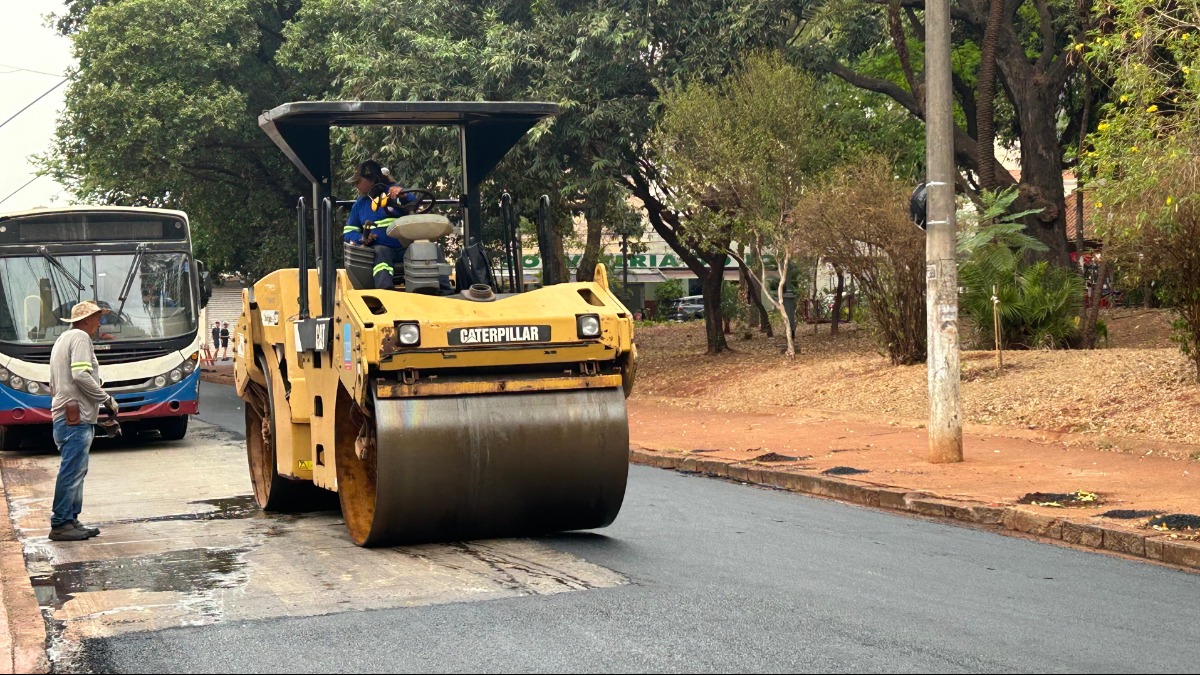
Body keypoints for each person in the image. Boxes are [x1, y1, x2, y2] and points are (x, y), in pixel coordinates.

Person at [48, 301, 118, 542]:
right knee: (72, 471)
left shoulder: (63, 340)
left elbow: (56, 383)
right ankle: (61, 523)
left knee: (76, 470)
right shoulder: (80, 338)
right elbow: (80, 375)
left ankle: (70, 520)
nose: (100, 323)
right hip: (74, 417)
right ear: (86, 319)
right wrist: (106, 398)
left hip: (67, 414)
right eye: (97, 318)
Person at [343, 159, 416, 289]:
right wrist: (362, 238)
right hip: (382, 249)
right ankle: (385, 291)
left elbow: (415, 203)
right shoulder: (359, 205)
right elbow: (348, 233)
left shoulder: (395, 193)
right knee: (381, 252)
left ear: (372, 179)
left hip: (407, 248)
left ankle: (443, 290)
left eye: (358, 181)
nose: (355, 185)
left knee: (428, 248)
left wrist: (403, 195)